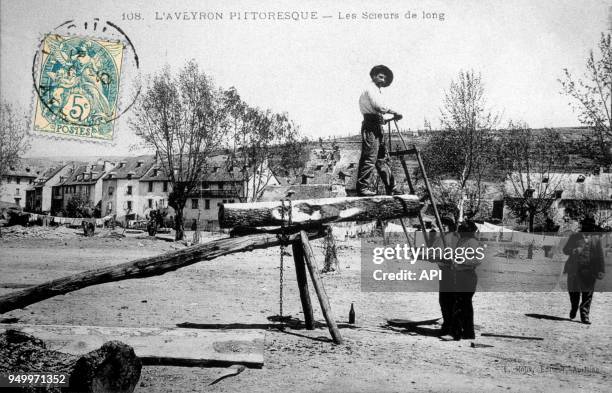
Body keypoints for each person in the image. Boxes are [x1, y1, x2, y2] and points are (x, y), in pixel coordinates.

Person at [356, 65, 403, 196]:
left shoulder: (376, 90)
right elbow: (379, 106)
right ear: (374, 76)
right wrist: (394, 112)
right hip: (370, 127)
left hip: (377, 126)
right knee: (370, 157)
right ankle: (362, 188)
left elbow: (379, 110)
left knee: (382, 158)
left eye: (385, 78)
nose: (383, 80)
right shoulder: (370, 89)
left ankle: (392, 187)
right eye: (380, 77)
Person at [562, 216, 605, 324]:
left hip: (590, 270)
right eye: (586, 226)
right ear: (583, 226)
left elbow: (600, 256)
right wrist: (573, 250)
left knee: (588, 294)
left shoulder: (596, 239)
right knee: (573, 292)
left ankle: (584, 315)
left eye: (590, 226)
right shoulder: (574, 237)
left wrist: (601, 270)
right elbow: (565, 250)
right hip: (574, 269)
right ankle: (574, 306)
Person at [451, 220, 482, 340]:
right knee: (461, 304)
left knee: (463, 305)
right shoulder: (461, 241)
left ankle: (463, 333)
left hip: (468, 276)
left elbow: (477, 260)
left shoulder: (473, 242)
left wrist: (462, 261)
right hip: (458, 275)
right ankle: (465, 332)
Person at [433, 217, 460, 336]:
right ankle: (447, 324)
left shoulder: (455, 237)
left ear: (449, 225)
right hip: (443, 271)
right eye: (439, 225)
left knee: (453, 301)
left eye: (443, 225)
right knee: (444, 300)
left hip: (454, 272)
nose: (441, 227)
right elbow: (434, 253)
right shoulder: (440, 239)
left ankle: (455, 328)